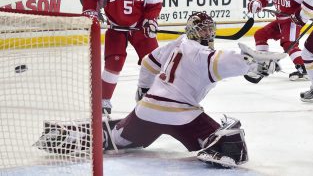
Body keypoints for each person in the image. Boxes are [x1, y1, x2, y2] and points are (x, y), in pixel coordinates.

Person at [34, 12, 286, 168]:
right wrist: (257, 64)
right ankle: (217, 146)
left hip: (147, 110)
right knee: (231, 143)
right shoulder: (202, 54)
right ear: (195, 32)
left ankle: (72, 134)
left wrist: (143, 91)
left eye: (210, 29)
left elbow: (147, 63)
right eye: (204, 30)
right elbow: (229, 61)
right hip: (182, 115)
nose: (208, 33)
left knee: (120, 139)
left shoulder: (177, 43)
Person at [82, 0, 163, 114]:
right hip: (116, 28)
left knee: (154, 62)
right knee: (114, 64)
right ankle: (103, 101)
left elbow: (154, 4)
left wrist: (151, 20)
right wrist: (90, 11)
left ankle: (147, 94)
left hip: (140, 28)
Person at [247, 0, 308, 82]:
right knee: (260, 34)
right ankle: (263, 63)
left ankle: (304, 69)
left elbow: (307, 3)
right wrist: (257, 3)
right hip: (280, 20)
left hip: (292, 21)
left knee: (288, 43)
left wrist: (302, 17)